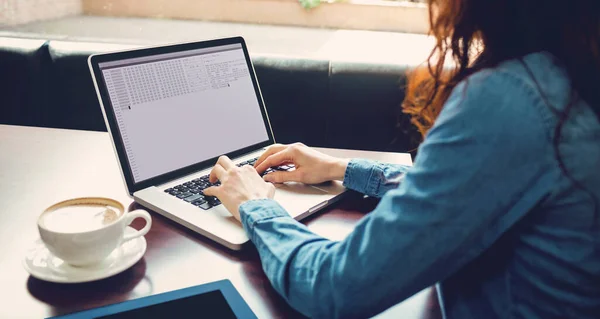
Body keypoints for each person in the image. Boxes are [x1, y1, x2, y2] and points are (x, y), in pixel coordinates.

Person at [203, 0, 600, 318]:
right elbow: (475, 187)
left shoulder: (513, 99)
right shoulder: (573, 75)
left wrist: (256, 207)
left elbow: (334, 289)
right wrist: (342, 169)